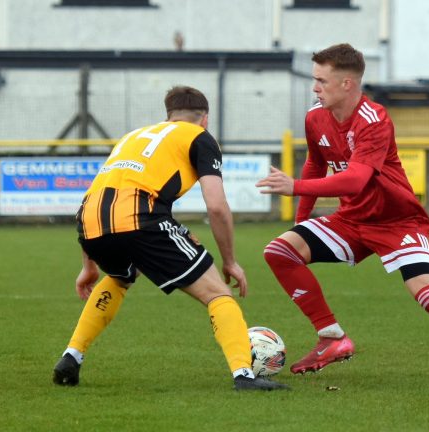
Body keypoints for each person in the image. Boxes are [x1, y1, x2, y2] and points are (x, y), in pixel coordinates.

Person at [256, 44, 429, 380]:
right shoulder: (315, 117)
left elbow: (355, 180)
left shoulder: (374, 120)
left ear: (346, 83)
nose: (315, 88)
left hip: (398, 222)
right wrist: (301, 222)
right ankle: (332, 337)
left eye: (321, 81)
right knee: (280, 251)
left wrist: (295, 187)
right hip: (352, 220)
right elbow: (315, 162)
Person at [53, 86, 288, 391]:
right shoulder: (199, 137)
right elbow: (217, 206)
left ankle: (72, 356)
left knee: (121, 277)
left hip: (89, 220)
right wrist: (230, 261)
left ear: (168, 115)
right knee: (218, 293)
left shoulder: (132, 136)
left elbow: (99, 194)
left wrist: (88, 265)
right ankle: (244, 375)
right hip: (140, 216)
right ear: (205, 118)